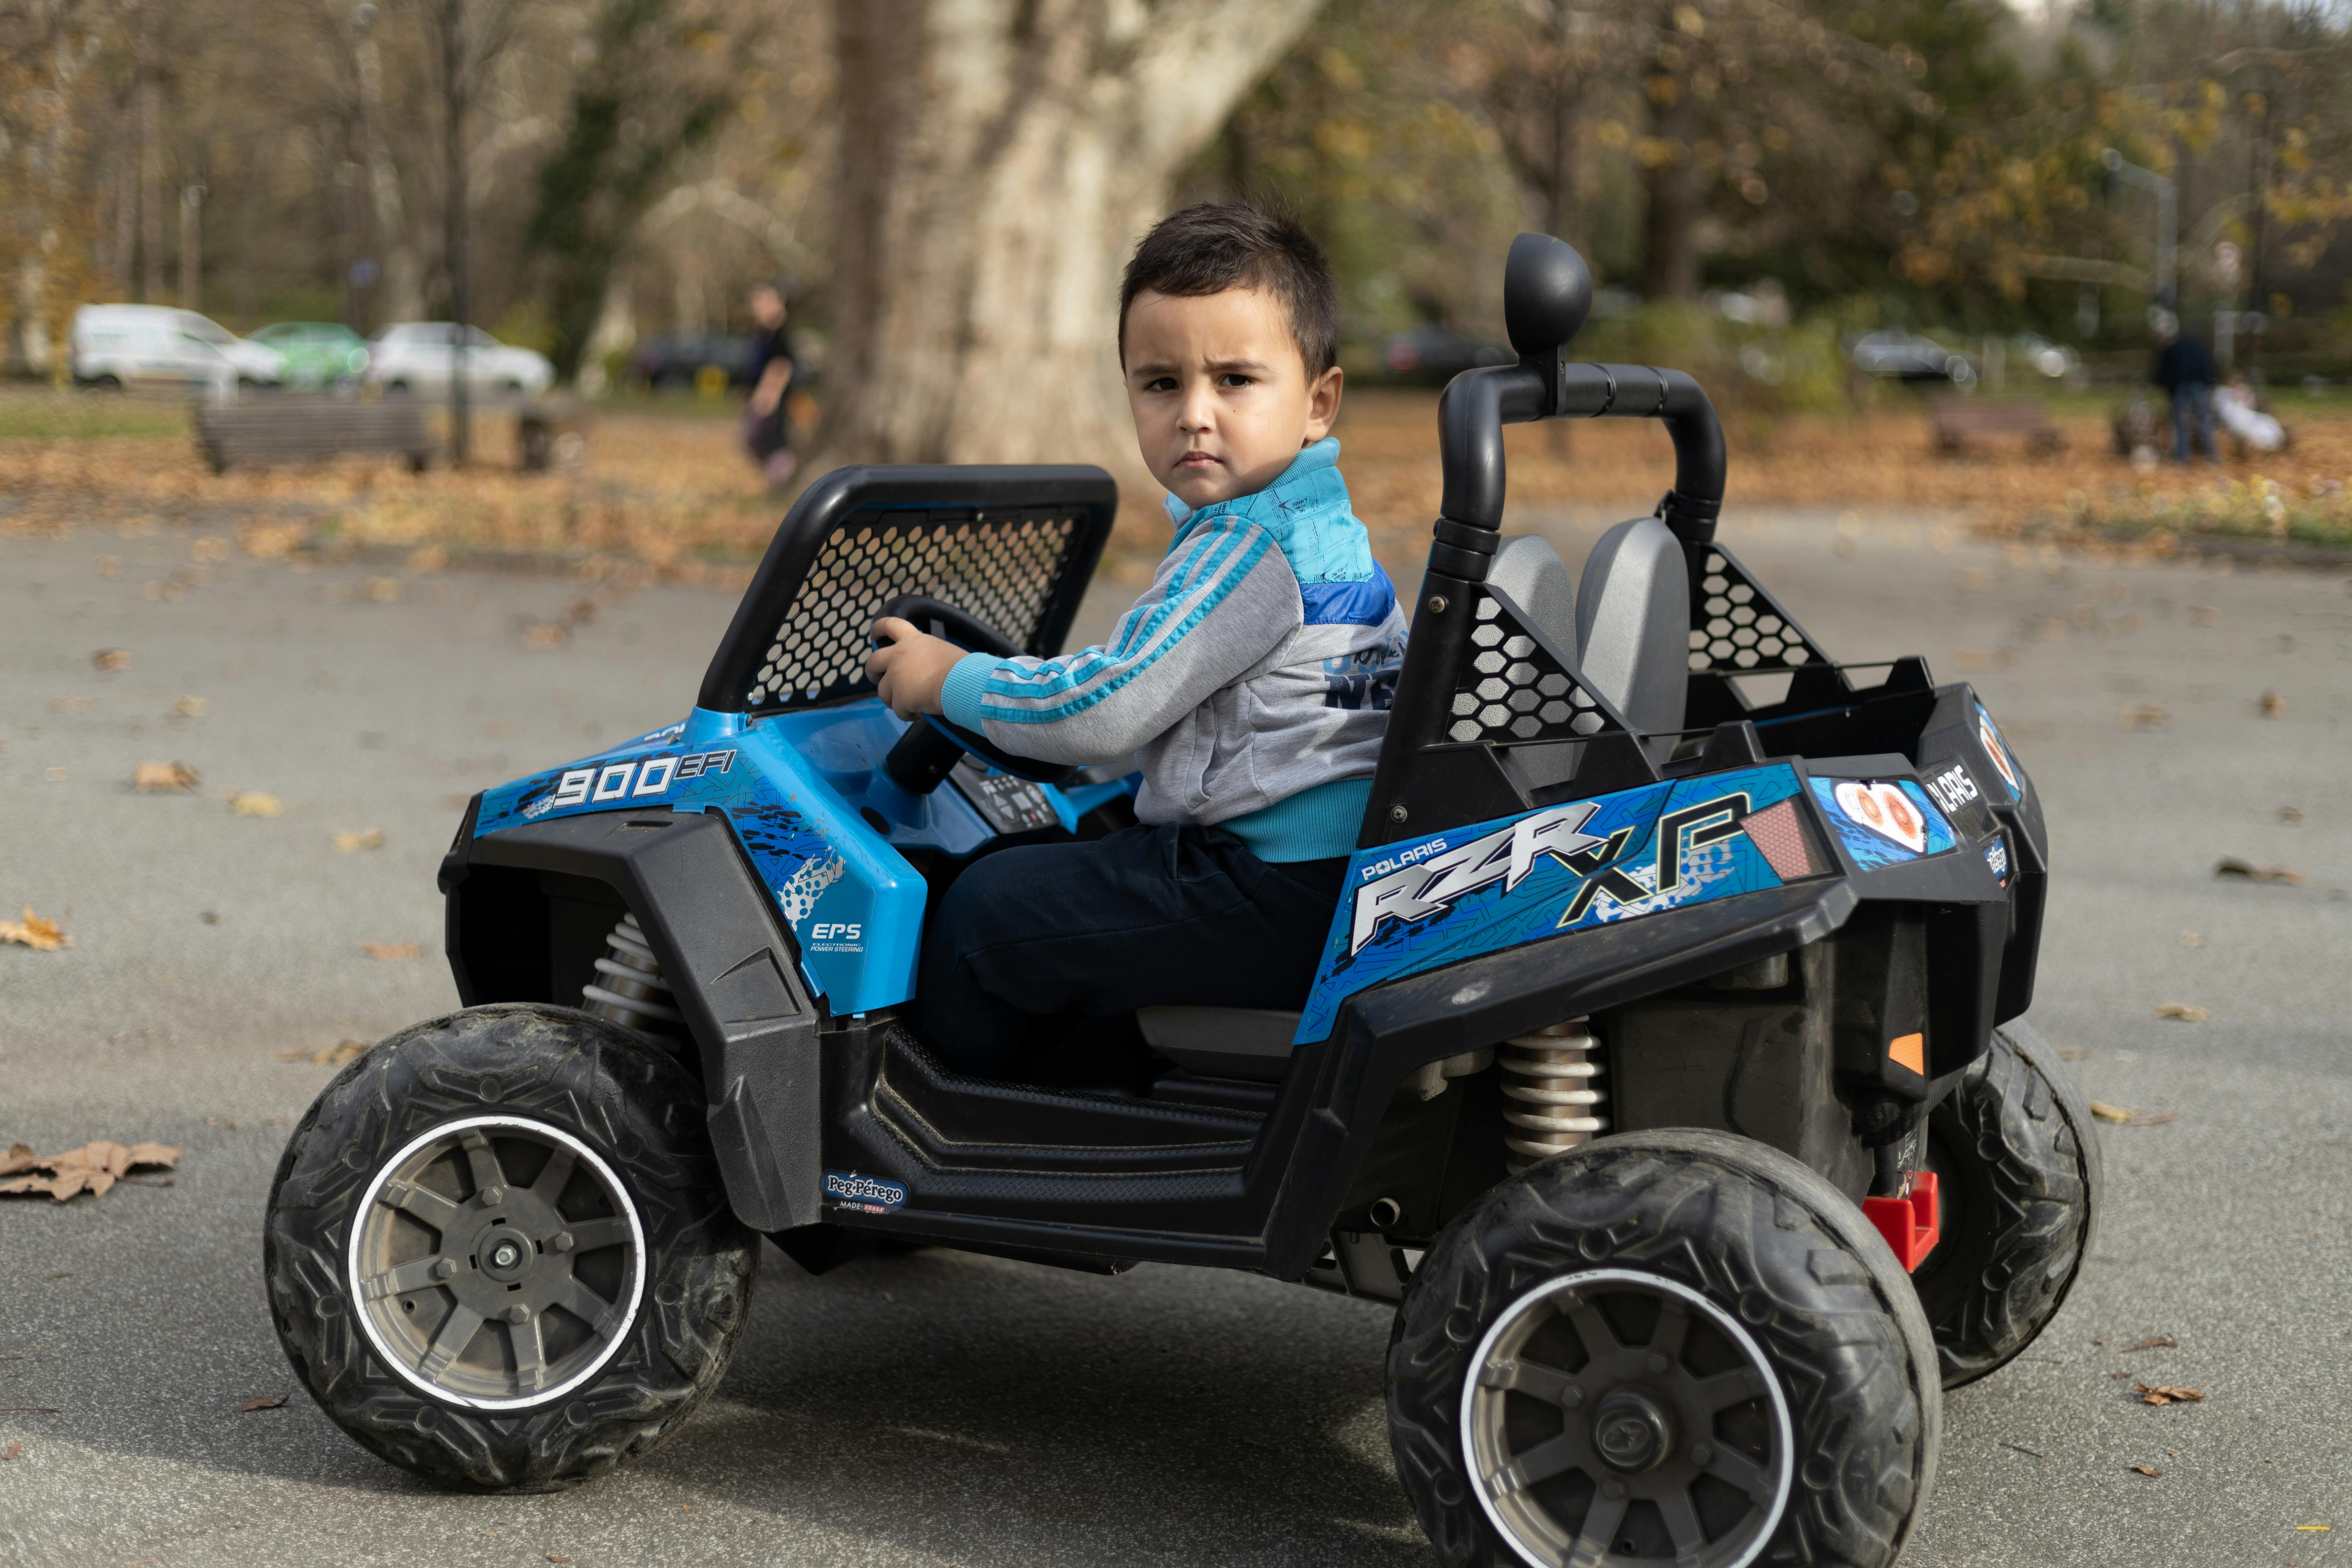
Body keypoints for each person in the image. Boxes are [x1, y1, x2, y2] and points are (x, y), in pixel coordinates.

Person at [863, 202, 1407, 1082]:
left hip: (1270, 883)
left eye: (1234, 380)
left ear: (1318, 402)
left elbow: (1103, 708)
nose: (1194, 414)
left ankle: (930, 1136)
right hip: (1323, 868)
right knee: (1050, 867)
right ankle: (1090, 1097)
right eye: (1161, 383)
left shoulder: (1250, 546)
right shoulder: (1310, 520)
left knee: (986, 912)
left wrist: (950, 679)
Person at [742, 279, 797, 492]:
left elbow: (781, 366)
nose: (758, 308)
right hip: (764, 396)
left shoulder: (780, 333)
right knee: (756, 441)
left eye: (763, 302)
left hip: (774, 400)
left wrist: (768, 395)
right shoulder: (765, 332)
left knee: (772, 442)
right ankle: (775, 481)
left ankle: (780, 482)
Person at [2149, 309, 2219, 465]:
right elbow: (2209, 366)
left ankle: (2182, 458)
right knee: (2204, 420)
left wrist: (2167, 389)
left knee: (2181, 422)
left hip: (2183, 388)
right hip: (2201, 386)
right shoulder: (2195, 344)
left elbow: (2164, 375)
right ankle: (2211, 456)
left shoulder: (2171, 349)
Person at [2212, 370, 2286, 454]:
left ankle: (2273, 442)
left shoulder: (2239, 391)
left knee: (2267, 423)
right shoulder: (2223, 393)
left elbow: (2249, 406)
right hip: (2241, 420)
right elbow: (2230, 414)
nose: (2236, 382)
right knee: (2260, 429)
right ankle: (2269, 444)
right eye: (2235, 380)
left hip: (2247, 417)